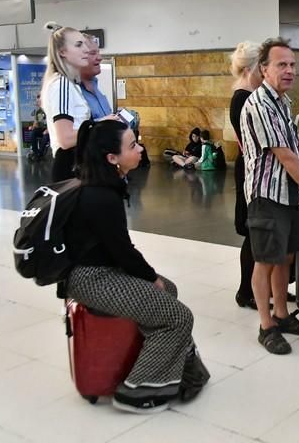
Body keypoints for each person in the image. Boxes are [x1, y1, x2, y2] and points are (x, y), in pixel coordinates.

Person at [64, 119, 209, 413]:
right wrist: (149, 278)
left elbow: (117, 249)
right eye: (133, 145)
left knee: (169, 289)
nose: (141, 149)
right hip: (92, 279)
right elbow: (123, 252)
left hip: (99, 270)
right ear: (112, 158)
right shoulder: (101, 195)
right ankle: (138, 391)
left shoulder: (101, 185)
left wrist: (154, 281)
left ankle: (179, 366)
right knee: (180, 317)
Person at [240, 37, 299, 355]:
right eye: (282, 64)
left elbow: (291, 147)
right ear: (264, 69)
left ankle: (282, 314)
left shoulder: (283, 101)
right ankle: (266, 326)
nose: (289, 70)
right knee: (265, 260)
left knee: (287, 256)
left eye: (292, 64)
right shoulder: (259, 103)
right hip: (267, 195)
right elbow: (285, 157)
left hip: (288, 195)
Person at [229, 41, 263, 309]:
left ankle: (259, 288)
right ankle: (246, 290)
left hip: (254, 165)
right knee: (254, 231)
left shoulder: (251, 94)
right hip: (251, 168)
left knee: (260, 231)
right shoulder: (243, 98)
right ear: (252, 67)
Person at [40, 24, 91, 182]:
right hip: (70, 166)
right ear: (62, 52)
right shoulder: (61, 84)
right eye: (78, 45)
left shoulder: (70, 84)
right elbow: (66, 139)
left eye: (84, 44)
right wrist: (101, 127)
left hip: (77, 164)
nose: (86, 49)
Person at [80, 34, 113, 122]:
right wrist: (102, 122)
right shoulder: (70, 91)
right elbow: (69, 132)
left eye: (98, 52)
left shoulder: (95, 85)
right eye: (93, 53)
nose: (100, 58)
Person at [29, 93, 49, 160]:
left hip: (50, 131)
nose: (37, 103)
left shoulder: (50, 110)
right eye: (37, 101)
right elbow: (36, 122)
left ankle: (40, 153)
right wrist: (33, 127)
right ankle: (35, 152)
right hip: (41, 129)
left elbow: (54, 123)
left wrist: (48, 130)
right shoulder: (38, 111)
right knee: (33, 133)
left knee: (46, 136)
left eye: (39, 101)